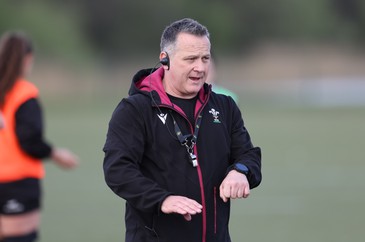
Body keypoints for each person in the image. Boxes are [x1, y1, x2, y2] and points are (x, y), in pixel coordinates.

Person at [103, 18, 262, 242]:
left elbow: (248, 154)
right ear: (164, 60)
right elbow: (117, 170)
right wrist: (161, 200)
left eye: (205, 58)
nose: (200, 67)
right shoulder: (134, 109)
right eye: (190, 59)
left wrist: (241, 171)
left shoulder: (225, 106)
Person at [0, 31, 79, 242]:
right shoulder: (23, 94)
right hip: (16, 182)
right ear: (27, 59)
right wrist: (55, 154)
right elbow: (29, 141)